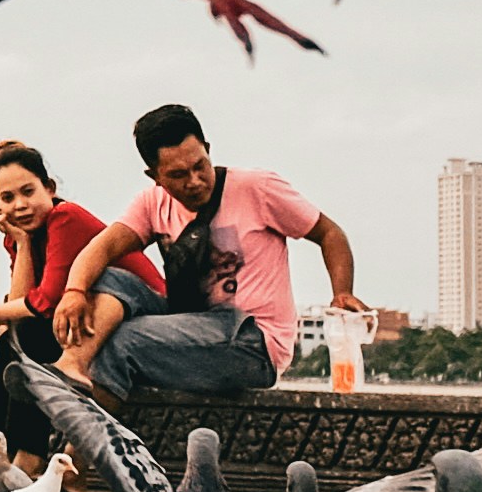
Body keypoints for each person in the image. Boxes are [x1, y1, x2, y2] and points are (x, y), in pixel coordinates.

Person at [0, 139, 165, 481]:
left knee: (28, 335)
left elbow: (44, 302)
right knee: (18, 338)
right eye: (8, 198)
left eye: (28, 192)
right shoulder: (23, 233)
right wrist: (21, 243)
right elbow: (21, 302)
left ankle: (28, 457)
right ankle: (6, 454)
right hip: (91, 325)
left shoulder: (64, 218)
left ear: (50, 189)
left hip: (137, 314)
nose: (20, 205)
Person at [91, 102, 349, 396]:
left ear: (208, 150)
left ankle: (83, 440)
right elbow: (102, 247)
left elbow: (329, 233)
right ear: (155, 177)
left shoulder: (256, 188)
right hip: (192, 326)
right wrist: (73, 294)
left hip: (253, 344)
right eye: (178, 175)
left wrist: (342, 293)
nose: (195, 181)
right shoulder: (152, 203)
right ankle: (71, 370)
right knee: (106, 281)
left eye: (199, 166)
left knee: (123, 341)